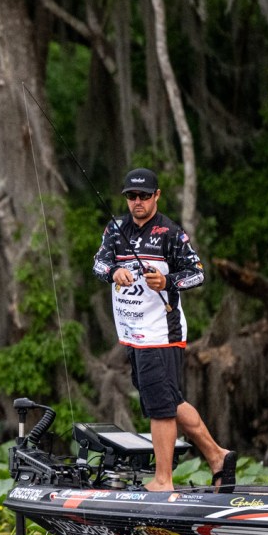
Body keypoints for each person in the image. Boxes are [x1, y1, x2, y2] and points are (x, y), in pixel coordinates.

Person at [93, 167, 237, 493]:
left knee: (161, 408)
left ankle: (163, 480)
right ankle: (218, 456)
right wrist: (113, 271)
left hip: (160, 334)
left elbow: (197, 272)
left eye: (144, 196)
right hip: (132, 333)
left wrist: (167, 281)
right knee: (170, 400)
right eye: (132, 196)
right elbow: (98, 264)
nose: (138, 202)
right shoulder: (115, 229)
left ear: (156, 196)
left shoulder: (169, 232)